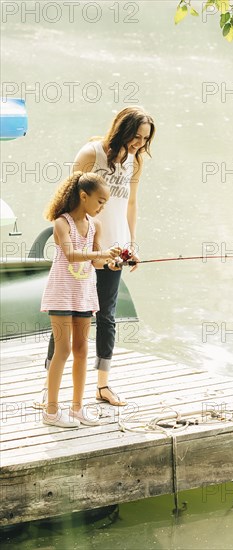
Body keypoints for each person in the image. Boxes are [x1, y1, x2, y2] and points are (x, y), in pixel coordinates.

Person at [34, 106, 155, 408]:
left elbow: (131, 205)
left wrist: (131, 245)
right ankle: (49, 389)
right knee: (69, 313)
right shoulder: (91, 154)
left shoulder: (135, 162)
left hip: (114, 249)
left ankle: (103, 385)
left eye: (145, 139)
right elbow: (68, 200)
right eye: (136, 136)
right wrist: (80, 249)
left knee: (107, 315)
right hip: (82, 248)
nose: (139, 143)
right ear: (121, 129)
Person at [41, 171, 121, 428]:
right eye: (99, 201)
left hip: (84, 294)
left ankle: (77, 408)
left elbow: (95, 260)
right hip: (62, 294)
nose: (102, 207)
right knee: (62, 350)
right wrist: (100, 253)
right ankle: (51, 411)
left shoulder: (95, 225)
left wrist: (111, 260)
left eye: (105, 203)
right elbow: (70, 254)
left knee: (82, 351)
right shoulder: (62, 223)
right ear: (83, 196)